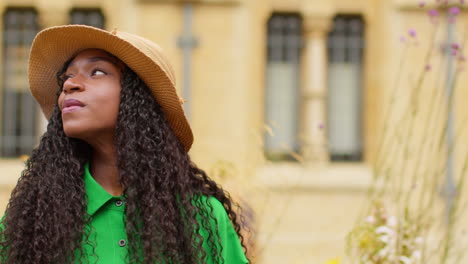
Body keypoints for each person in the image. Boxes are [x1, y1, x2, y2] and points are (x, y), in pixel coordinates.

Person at [0, 25, 249, 264]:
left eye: (97, 71)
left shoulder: (202, 215)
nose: (68, 85)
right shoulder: (33, 216)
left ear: (138, 97)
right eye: (67, 77)